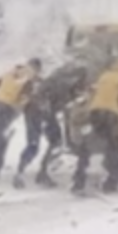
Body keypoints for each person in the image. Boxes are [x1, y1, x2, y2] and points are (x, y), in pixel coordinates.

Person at [72, 58, 118, 194]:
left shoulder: (104, 76)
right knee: (114, 147)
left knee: (88, 144)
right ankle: (111, 182)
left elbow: (94, 92)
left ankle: (78, 180)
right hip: (111, 114)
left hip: (95, 112)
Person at [15, 60, 89, 188]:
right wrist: (70, 139)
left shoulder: (56, 79)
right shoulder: (67, 87)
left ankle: (20, 172)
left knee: (34, 143)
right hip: (43, 111)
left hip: (32, 110)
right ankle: (41, 173)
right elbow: (67, 113)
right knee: (55, 141)